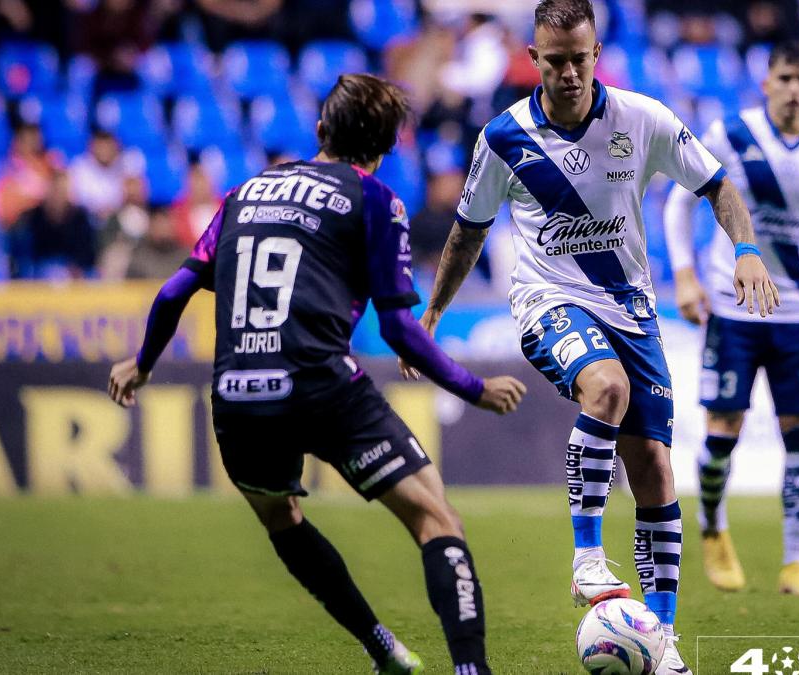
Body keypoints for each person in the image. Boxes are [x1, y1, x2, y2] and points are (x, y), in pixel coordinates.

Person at [107, 74, 526, 675]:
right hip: (322, 385)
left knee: (283, 518)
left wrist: (142, 364)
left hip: (236, 394)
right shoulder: (377, 200)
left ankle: (380, 645)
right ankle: (470, 670)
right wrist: (475, 388)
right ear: (387, 148)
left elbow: (174, 292)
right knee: (435, 519)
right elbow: (400, 329)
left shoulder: (245, 192)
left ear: (321, 129)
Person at [403, 1, 778, 671]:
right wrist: (431, 317)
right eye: (556, 61)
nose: (570, 72)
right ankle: (585, 557)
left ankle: (660, 641)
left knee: (656, 470)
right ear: (534, 59)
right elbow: (468, 231)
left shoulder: (644, 119)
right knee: (604, 386)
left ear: (596, 52)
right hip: (548, 300)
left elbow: (717, 185)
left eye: (580, 58)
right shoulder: (504, 138)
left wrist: (746, 248)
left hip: (631, 308)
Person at [662, 41, 799, 597]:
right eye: (783, 78)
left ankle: (796, 564)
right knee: (723, 432)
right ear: (766, 83)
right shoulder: (729, 135)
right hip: (732, 308)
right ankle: (714, 530)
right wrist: (685, 276)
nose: (792, 88)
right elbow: (678, 203)